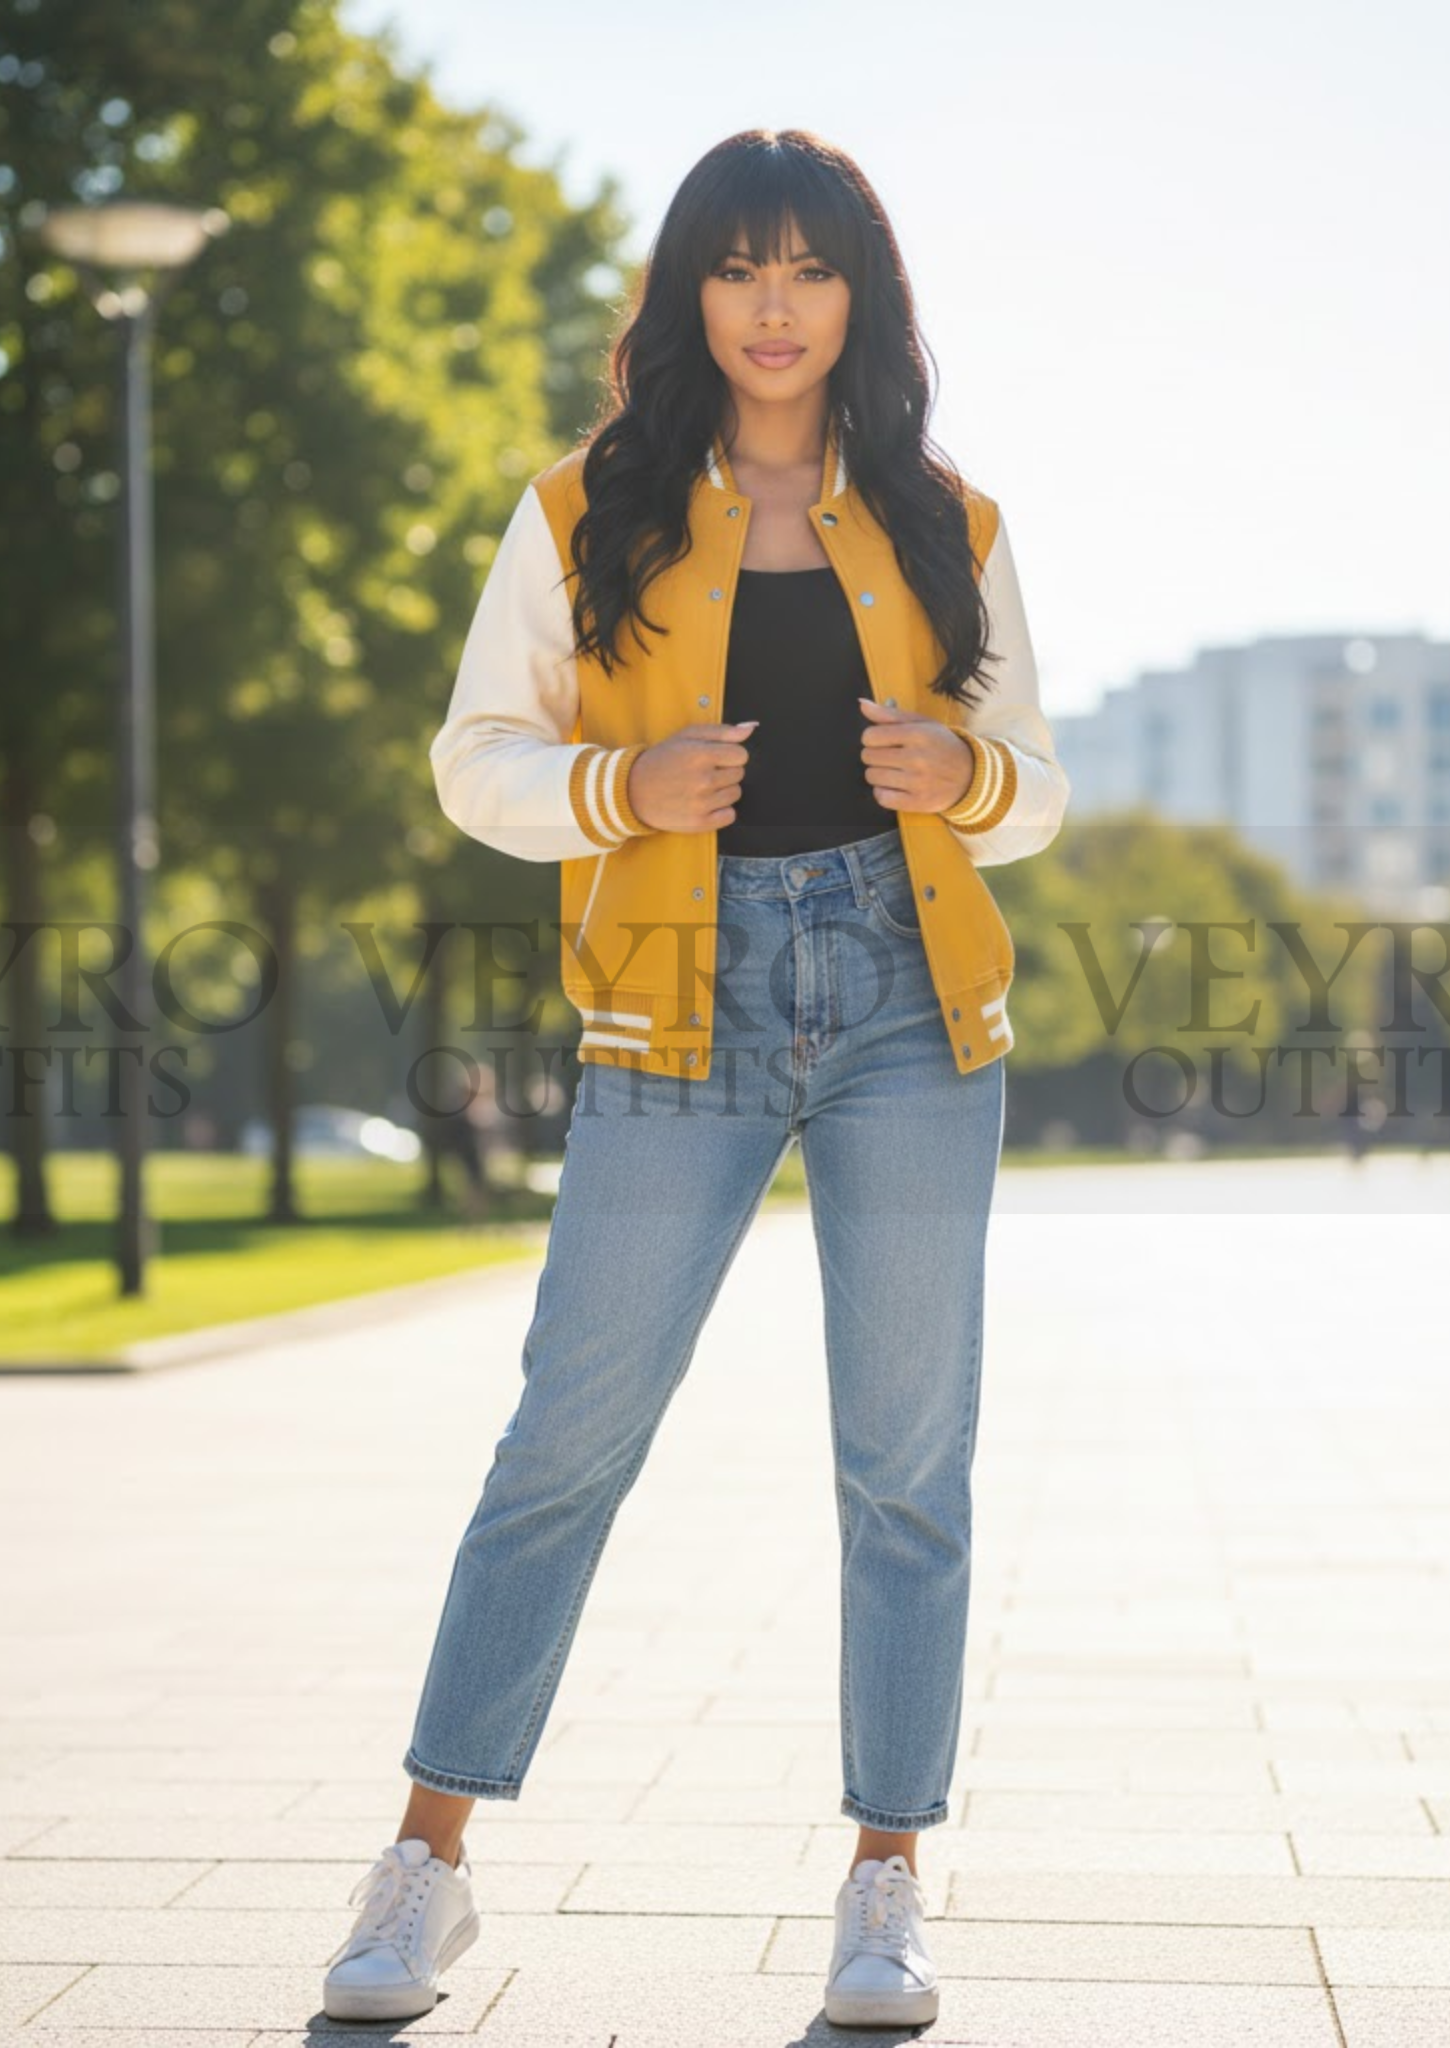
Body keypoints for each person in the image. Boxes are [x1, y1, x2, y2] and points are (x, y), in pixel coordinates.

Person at [323, 127, 1072, 2030]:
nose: (769, 305)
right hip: (677, 1000)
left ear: (857, 300)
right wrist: (616, 789)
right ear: (688, 295)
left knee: (907, 1467)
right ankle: (426, 1863)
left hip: (915, 1008)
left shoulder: (946, 519)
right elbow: (474, 753)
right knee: (564, 1439)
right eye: (735, 269)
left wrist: (962, 783)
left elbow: (1036, 781)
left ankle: (887, 1879)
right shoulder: (586, 509)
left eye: (806, 270)